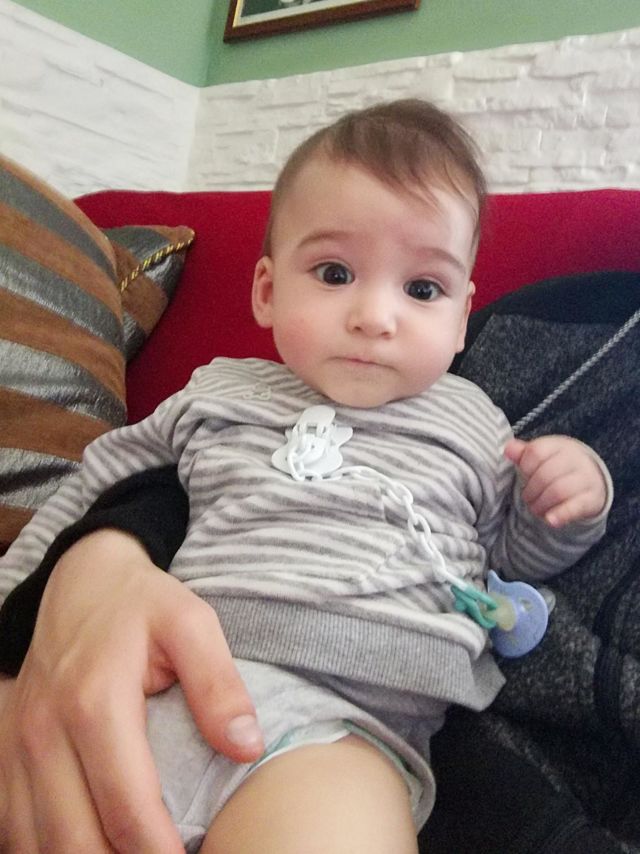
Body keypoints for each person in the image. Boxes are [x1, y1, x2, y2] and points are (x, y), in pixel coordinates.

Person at [0, 100, 612, 854]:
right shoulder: (218, 390)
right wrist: (9, 635)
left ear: (460, 319)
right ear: (266, 291)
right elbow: (92, 489)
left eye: (422, 289)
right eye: (335, 273)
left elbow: (511, 555)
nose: (375, 316)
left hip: (343, 732)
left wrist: (565, 502)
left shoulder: (477, 424)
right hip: (160, 674)